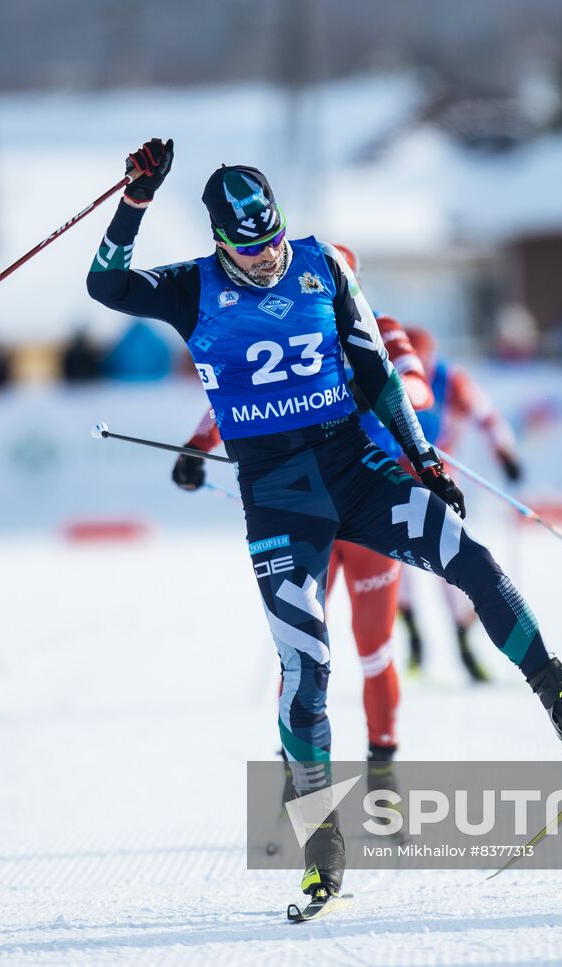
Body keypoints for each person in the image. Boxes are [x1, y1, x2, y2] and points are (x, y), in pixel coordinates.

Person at [86, 138, 562, 908]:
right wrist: (136, 201)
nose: (268, 260)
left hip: (357, 469)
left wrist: (422, 457)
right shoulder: (192, 289)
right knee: (309, 666)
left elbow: (376, 370)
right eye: (249, 251)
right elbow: (105, 282)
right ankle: (322, 843)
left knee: (468, 555)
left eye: (274, 241)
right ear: (221, 243)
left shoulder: (324, 264)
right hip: (279, 497)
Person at [171, 245, 432, 771]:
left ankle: (383, 770)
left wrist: (369, 387)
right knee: (301, 655)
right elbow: (237, 398)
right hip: (304, 510)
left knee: (374, 649)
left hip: (367, 506)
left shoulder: (381, 326)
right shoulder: (283, 331)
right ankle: (299, 776)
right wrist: (195, 448)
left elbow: (419, 390)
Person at [392, 326, 525, 683]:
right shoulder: (384, 375)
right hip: (395, 478)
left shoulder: (451, 380)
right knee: (398, 563)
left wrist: (506, 453)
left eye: (423, 360)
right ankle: (414, 638)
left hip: (440, 478)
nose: (417, 367)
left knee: (451, 562)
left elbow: (488, 418)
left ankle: (464, 643)